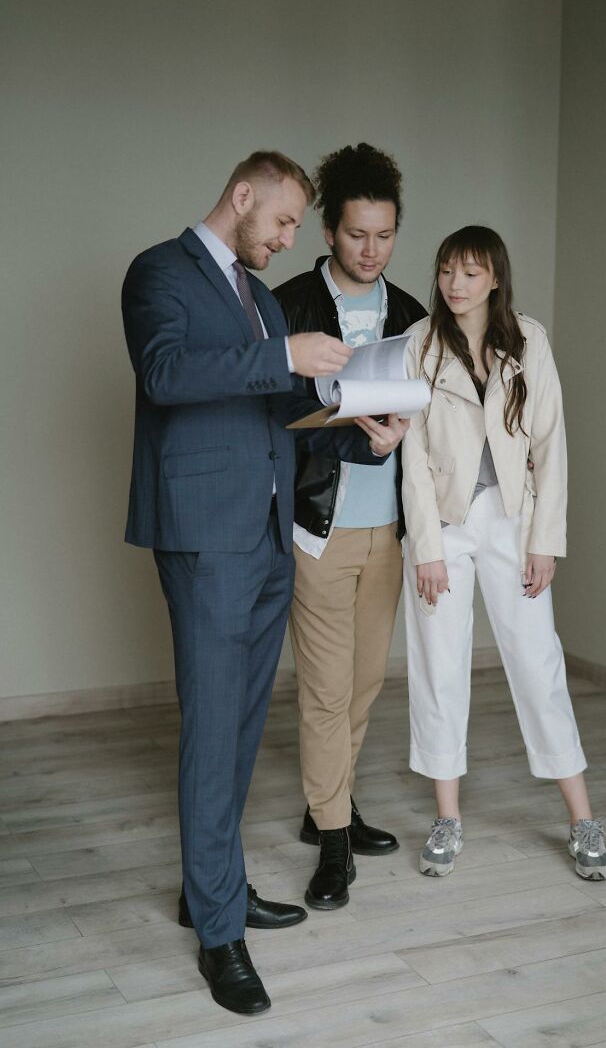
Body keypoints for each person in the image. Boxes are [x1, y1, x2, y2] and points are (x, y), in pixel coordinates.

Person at [121, 151, 406, 1015]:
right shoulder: (158, 272)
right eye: (282, 222)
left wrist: (363, 432)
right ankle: (218, 933)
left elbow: (277, 407)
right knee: (214, 729)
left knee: (242, 726)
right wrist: (284, 350)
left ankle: (213, 886)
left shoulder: (258, 296)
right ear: (242, 196)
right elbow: (166, 376)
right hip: (205, 536)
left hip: (266, 535)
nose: (287, 240)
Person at [401, 225, 606, 883]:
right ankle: (447, 817)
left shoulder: (529, 340)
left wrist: (545, 541)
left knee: (538, 662)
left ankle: (581, 819)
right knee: (440, 664)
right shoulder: (420, 344)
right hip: (444, 521)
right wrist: (426, 547)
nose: (454, 284)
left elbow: (551, 446)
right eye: (445, 271)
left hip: (512, 522)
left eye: (469, 272)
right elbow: (409, 454)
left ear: (495, 276)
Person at [274, 144, 426, 909]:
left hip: (389, 530)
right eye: (358, 234)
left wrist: (406, 434)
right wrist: (349, 429)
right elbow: (269, 417)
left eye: (385, 235)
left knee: (365, 683)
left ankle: (326, 806)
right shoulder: (290, 304)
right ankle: (333, 843)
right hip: (319, 527)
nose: (372, 250)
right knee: (326, 691)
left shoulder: (412, 317)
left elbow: (434, 420)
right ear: (329, 230)